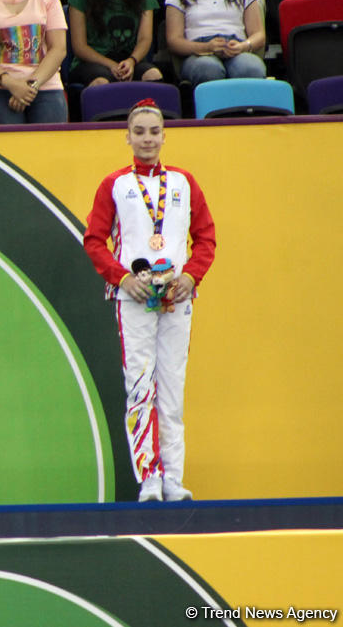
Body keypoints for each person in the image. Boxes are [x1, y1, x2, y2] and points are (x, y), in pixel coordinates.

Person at [82, 98, 216, 501]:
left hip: (177, 300)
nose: (146, 139)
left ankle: (173, 478)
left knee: (172, 389)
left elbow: (206, 239)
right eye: (138, 132)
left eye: (154, 131)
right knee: (141, 388)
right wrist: (123, 279)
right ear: (127, 137)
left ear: (164, 135)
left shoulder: (184, 182)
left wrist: (191, 277)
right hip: (134, 301)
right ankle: (150, 478)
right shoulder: (115, 185)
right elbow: (94, 240)